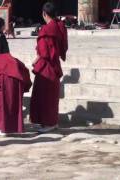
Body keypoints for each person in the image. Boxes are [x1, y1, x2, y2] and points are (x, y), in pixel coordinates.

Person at [30, 2, 68, 133]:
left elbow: (44, 52)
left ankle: (49, 123)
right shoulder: (60, 26)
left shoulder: (46, 30)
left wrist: (36, 59)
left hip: (46, 67)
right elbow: (63, 47)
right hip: (55, 65)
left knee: (44, 96)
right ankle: (48, 121)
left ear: (44, 14)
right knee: (50, 96)